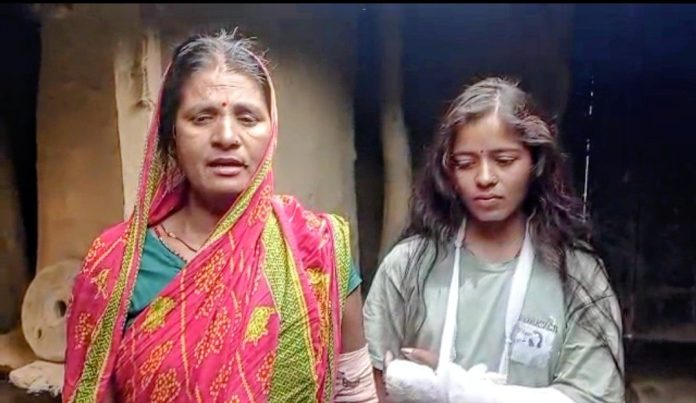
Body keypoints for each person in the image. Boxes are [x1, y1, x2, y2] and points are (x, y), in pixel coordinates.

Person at [63, 29, 377, 402]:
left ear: (271, 131)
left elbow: (356, 394)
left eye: (248, 118)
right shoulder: (117, 264)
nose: (226, 136)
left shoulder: (317, 251)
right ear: (171, 137)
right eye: (202, 118)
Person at [363, 77, 624, 402]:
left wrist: (457, 391)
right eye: (465, 163)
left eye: (504, 161)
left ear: (535, 163)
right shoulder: (409, 266)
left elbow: (593, 397)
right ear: (448, 172)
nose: (484, 178)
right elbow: (367, 385)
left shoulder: (577, 275)